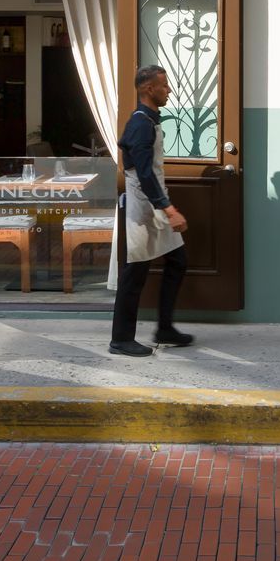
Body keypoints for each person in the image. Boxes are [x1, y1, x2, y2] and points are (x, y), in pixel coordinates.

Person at [109, 64, 195, 357]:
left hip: (153, 204)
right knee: (135, 271)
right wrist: (169, 209)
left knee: (177, 261)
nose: (169, 89)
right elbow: (144, 173)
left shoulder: (149, 120)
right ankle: (120, 339)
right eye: (164, 85)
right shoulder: (141, 124)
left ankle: (165, 328)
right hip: (143, 208)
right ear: (149, 89)